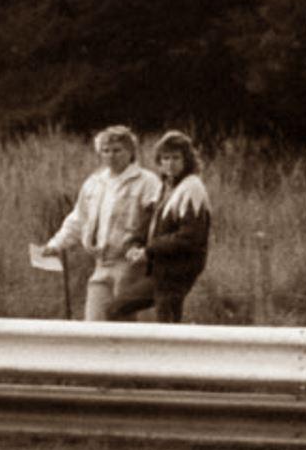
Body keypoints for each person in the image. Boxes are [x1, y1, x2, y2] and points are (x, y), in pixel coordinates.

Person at [40, 125, 161, 321]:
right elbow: (78, 219)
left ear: (131, 152)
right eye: (106, 151)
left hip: (132, 264)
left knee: (125, 321)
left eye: (117, 150)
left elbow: (158, 221)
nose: (111, 156)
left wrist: (147, 251)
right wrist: (55, 244)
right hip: (101, 263)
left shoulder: (147, 182)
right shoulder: (94, 183)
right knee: (93, 322)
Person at [109, 130, 211, 323]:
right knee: (117, 309)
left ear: (187, 160)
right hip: (161, 271)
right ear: (159, 161)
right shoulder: (165, 186)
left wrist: (149, 250)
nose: (170, 164)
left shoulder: (192, 188)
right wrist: (133, 245)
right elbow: (146, 224)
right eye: (165, 158)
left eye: (176, 158)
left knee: (165, 325)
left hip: (177, 272)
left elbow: (190, 237)